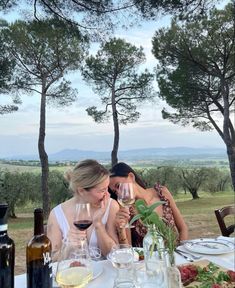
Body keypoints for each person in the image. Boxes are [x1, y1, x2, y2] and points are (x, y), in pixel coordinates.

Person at [47, 159, 119, 260]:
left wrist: (98, 224)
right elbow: (51, 259)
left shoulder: (111, 206)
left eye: (107, 188)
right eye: (102, 190)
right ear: (81, 191)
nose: (107, 194)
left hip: (104, 274)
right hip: (72, 274)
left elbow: (114, 253)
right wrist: (68, 248)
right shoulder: (56, 215)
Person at [109, 162, 188, 247]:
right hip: (147, 259)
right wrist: (121, 230)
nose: (118, 192)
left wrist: (181, 252)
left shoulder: (162, 193)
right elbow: (128, 248)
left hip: (174, 256)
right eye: (115, 191)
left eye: (118, 186)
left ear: (131, 177)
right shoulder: (126, 209)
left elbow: (183, 228)